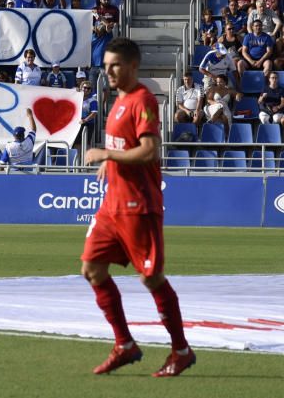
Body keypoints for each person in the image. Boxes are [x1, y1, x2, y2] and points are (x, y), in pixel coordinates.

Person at [82, 37, 195, 377]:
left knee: (151, 277)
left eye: (115, 65)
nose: (110, 71)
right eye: (106, 66)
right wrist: (111, 162)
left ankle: (181, 350)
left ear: (133, 66)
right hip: (111, 206)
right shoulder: (117, 101)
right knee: (91, 269)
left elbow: (149, 151)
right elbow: (124, 145)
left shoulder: (142, 100)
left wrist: (107, 155)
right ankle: (125, 344)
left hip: (138, 206)